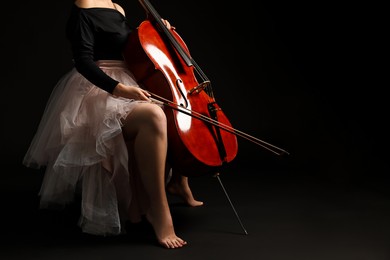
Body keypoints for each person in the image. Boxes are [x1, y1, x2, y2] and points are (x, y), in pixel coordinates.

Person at [23, 0, 203, 249]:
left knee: (174, 110)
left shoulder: (117, 7)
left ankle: (178, 182)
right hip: (100, 88)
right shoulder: (84, 6)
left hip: (131, 79)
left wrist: (159, 31)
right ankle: (158, 211)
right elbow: (83, 61)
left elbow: (130, 49)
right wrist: (120, 89)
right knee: (154, 116)